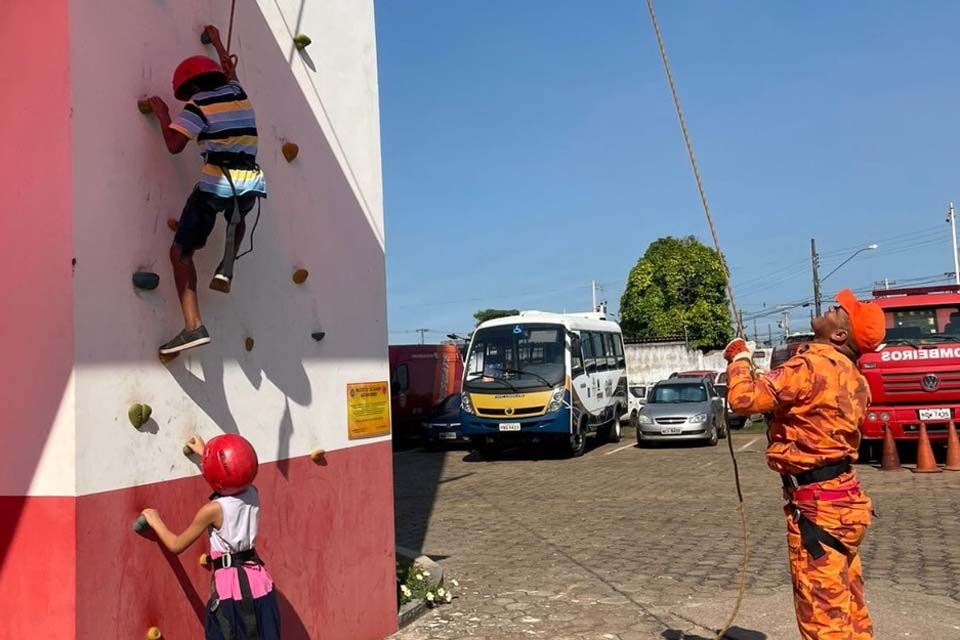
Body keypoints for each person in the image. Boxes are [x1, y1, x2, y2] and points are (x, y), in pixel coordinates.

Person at [724, 288, 885, 640]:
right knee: (850, 610)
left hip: (817, 508)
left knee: (823, 620)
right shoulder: (856, 379)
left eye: (841, 311)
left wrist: (738, 360)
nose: (832, 306)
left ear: (840, 334)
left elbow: (743, 398)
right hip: (845, 503)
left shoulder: (811, 365)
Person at [145, 25, 267, 356]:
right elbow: (229, 66)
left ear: (192, 87)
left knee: (181, 252)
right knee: (239, 215)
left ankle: (192, 326)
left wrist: (164, 115)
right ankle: (227, 266)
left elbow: (174, 145)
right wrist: (215, 38)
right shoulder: (238, 92)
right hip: (250, 180)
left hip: (217, 181)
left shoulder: (198, 105)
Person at [140, 434, 280, 640]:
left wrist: (155, 521)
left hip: (232, 591)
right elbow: (230, 486)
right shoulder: (253, 492)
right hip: (260, 582)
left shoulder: (212, 511)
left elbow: (176, 544)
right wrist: (207, 457)